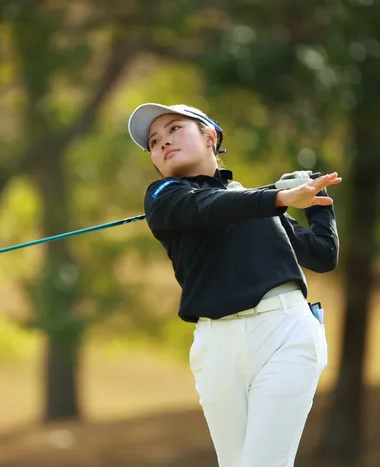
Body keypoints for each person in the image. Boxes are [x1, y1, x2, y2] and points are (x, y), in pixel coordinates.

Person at [127, 103, 341, 467]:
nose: (163, 143)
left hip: (284, 333)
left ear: (210, 137)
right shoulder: (163, 196)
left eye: (174, 129)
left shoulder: (253, 202)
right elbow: (207, 207)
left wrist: (316, 201)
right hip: (217, 347)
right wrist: (278, 197)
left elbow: (322, 255)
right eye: (154, 142)